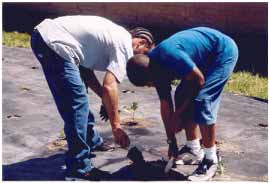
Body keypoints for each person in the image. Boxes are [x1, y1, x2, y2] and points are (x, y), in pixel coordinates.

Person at [30, 15, 154, 180]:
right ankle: (79, 168)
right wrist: (116, 127)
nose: (140, 59)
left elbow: (86, 72)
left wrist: (104, 98)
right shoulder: (125, 44)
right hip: (55, 43)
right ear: (141, 43)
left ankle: (91, 140)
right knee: (77, 105)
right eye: (144, 54)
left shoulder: (112, 36)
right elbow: (110, 86)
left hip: (49, 38)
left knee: (78, 99)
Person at [126, 27, 238, 181]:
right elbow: (166, 106)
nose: (150, 86)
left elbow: (198, 80)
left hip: (221, 52)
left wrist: (180, 114)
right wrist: (172, 142)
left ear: (151, 73)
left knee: (203, 100)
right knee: (180, 95)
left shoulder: (169, 54)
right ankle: (193, 149)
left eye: (149, 83)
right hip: (200, 60)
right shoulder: (156, 70)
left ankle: (211, 160)